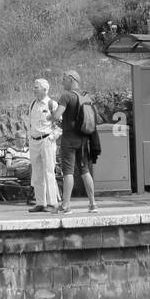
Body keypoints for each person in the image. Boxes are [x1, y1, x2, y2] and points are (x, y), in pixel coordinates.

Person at [53, 70, 98, 213]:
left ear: (72, 80)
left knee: (68, 172)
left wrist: (50, 117)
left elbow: (57, 115)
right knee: (85, 171)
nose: (62, 82)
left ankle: (65, 206)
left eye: (64, 79)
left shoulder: (66, 96)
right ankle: (93, 204)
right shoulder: (86, 96)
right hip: (84, 139)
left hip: (69, 140)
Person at [26, 77, 61, 213]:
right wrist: (29, 137)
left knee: (49, 171)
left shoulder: (52, 104)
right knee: (37, 172)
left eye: (36, 87)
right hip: (34, 140)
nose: (34, 89)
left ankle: (52, 202)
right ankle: (40, 202)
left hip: (47, 140)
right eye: (34, 86)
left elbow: (60, 125)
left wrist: (52, 137)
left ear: (45, 89)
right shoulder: (32, 104)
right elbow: (30, 122)